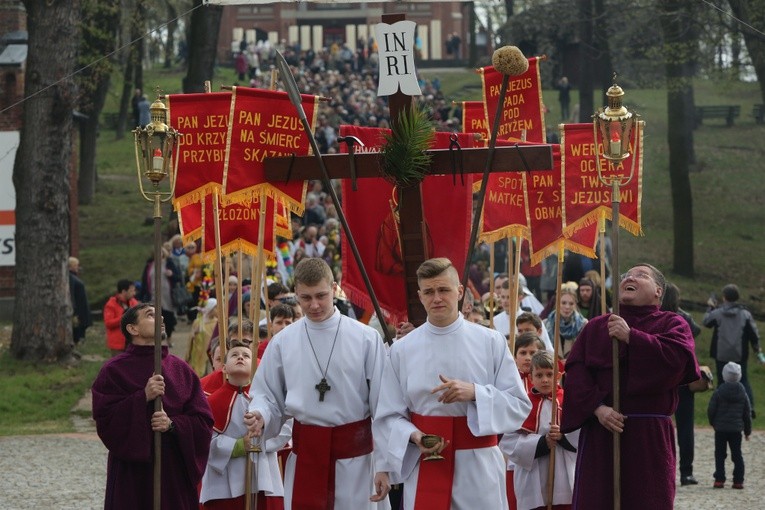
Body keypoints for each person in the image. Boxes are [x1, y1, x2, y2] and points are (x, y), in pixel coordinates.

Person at [373, 257, 532, 510]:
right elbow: (387, 416)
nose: (437, 298)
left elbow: (519, 406)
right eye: (429, 291)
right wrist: (413, 436)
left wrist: (475, 393)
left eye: (444, 290)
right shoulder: (402, 350)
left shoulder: (490, 342)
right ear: (420, 296)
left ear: (459, 292)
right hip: (426, 462)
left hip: (478, 468)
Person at [245, 258, 391, 509]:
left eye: (321, 295)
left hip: (356, 461)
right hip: (307, 458)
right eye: (306, 297)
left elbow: (385, 406)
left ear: (334, 288)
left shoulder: (366, 338)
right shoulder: (283, 342)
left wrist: (385, 465)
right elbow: (267, 395)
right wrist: (261, 415)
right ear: (296, 295)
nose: (314, 305)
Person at [561, 264, 700, 509]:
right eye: (626, 275)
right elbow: (575, 374)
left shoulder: (673, 324)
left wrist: (631, 337)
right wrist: (597, 408)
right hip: (601, 432)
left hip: (648, 436)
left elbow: (678, 361)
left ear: (658, 291)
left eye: (641, 275)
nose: (630, 278)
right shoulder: (595, 327)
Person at [91, 303, 214, 509]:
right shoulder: (114, 371)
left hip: (172, 470)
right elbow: (107, 420)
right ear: (133, 329)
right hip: (133, 472)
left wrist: (173, 425)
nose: (161, 319)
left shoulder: (181, 369)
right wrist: (142, 398)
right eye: (150, 315)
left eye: (160, 315)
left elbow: (203, 420)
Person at [200, 340, 287, 509]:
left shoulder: (268, 399)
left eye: (246, 356)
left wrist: (259, 443)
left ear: (255, 366)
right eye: (234, 355)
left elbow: (284, 429)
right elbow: (203, 441)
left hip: (264, 472)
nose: (240, 357)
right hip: (225, 480)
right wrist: (239, 446)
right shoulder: (212, 402)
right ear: (224, 368)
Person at [502, 350, 579, 510]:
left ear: (558, 377)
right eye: (539, 375)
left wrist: (562, 436)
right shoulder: (521, 404)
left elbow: (580, 434)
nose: (545, 380)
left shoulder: (569, 400)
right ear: (531, 378)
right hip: (533, 471)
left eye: (550, 374)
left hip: (562, 468)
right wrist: (541, 443)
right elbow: (508, 440)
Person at [661, 282, 702, 486]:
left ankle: (663, 469)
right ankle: (686, 472)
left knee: (659, 425)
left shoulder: (655, 318)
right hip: (683, 377)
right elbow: (696, 331)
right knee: (685, 427)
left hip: (661, 380)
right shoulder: (683, 318)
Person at [703, 284, 763, 418]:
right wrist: (757, 350)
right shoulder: (745, 314)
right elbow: (753, 334)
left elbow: (706, 322)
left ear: (724, 297)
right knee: (744, 381)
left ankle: (720, 410)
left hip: (721, 353)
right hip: (739, 353)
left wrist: (710, 307)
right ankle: (750, 407)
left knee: (722, 382)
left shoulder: (717, 313)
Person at [505, 331, 547, 510]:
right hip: (516, 456)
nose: (528, 357)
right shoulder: (506, 384)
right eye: (523, 353)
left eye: (533, 353)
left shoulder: (550, 386)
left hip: (547, 458)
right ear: (514, 356)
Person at [707, 361, 752, 489]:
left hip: (720, 429)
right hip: (736, 430)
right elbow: (747, 413)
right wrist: (747, 431)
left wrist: (713, 422)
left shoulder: (719, 391)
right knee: (737, 454)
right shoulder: (743, 393)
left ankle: (719, 479)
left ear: (724, 375)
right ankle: (738, 480)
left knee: (720, 454)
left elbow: (711, 409)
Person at [200, 317, 255, 397]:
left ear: (256, 344)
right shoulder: (205, 385)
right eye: (234, 342)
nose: (240, 345)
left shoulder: (264, 370)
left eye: (245, 342)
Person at [494, 281, 553, 351]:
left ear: (520, 298)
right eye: (503, 297)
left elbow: (548, 349)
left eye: (509, 297)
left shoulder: (532, 320)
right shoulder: (494, 321)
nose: (505, 301)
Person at [544, 284, 587, 359]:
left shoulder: (583, 324)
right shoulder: (546, 324)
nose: (567, 307)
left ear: (575, 305)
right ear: (557, 303)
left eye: (571, 304)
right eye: (563, 303)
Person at [103, 279, 139, 356]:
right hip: (118, 345)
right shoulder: (111, 305)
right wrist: (124, 317)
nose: (134, 293)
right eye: (131, 291)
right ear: (123, 291)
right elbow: (108, 323)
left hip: (132, 343)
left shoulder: (133, 302)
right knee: (119, 367)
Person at [186, 298, 218, 377]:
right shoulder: (198, 322)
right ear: (210, 308)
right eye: (216, 307)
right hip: (198, 354)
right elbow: (191, 339)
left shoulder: (217, 322)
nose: (218, 310)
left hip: (211, 353)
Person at [69, 257, 92, 347]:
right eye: (76, 265)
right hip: (78, 307)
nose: (78, 267)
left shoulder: (73, 277)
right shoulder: (70, 277)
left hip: (81, 306)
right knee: (77, 326)